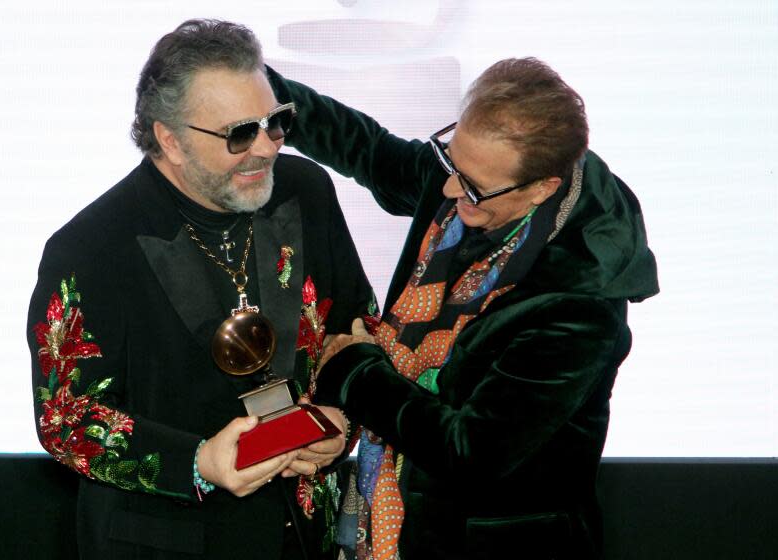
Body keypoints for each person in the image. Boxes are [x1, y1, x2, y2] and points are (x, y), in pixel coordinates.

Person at [267, 57, 659, 559]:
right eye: (450, 162)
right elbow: (366, 149)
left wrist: (355, 371)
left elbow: (471, 452)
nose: (450, 189)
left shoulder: (579, 307)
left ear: (544, 187)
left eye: (470, 186)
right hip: (399, 520)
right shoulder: (478, 177)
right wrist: (263, 92)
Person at [26, 20, 374, 560]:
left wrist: (341, 422)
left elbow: (359, 331)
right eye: (240, 133)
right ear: (171, 139)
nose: (266, 148)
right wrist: (200, 461)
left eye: (276, 123)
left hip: (304, 536)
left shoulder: (307, 193)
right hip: (169, 542)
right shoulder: (91, 247)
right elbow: (67, 418)